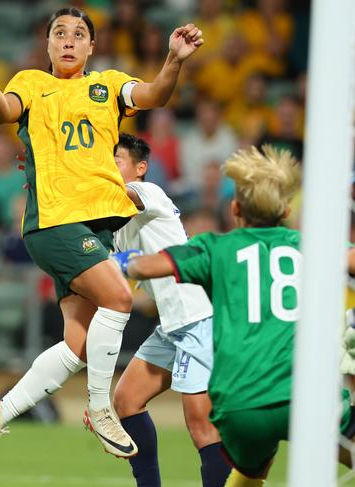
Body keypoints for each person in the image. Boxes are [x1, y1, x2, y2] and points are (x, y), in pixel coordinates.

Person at [0, 6, 204, 467]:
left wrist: (174, 60)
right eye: (59, 33)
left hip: (95, 227)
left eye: (79, 34)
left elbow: (153, 94)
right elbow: (4, 111)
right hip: (55, 223)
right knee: (119, 298)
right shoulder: (31, 83)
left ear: (91, 46)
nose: (69, 40)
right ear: (48, 43)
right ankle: (99, 407)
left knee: (78, 343)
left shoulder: (109, 84)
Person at [112, 145, 354, 486]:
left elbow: (152, 264)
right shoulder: (309, 244)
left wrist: (122, 262)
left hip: (215, 348)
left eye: (115, 160)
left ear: (235, 209)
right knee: (127, 398)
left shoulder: (214, 243)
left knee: (208, 431)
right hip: (301, 383)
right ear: (286, 209)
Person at [109, 133, 229, 487]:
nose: (108, 168)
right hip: (173, 322)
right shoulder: (116, 222)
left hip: (197, 317)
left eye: (116, 161)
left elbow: (120, 194)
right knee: (127, 399)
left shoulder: (148, 193)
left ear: (140, 167)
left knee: (201, 427)